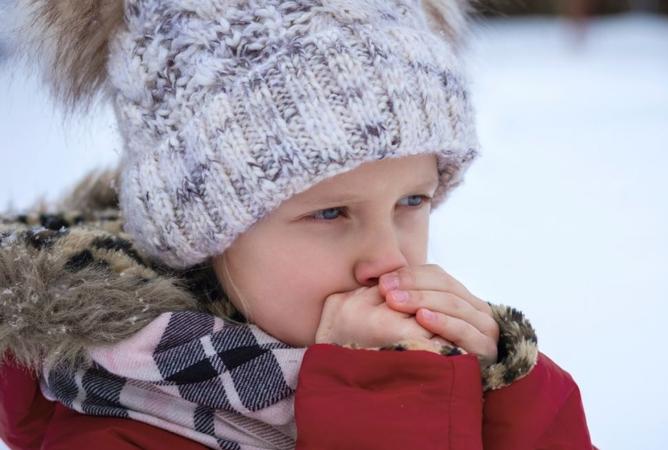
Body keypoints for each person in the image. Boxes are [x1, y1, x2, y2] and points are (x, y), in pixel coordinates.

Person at [0, 0, 597, 449]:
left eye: (412, 202)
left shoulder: (452, 362)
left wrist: (508, 395)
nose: (388, 259)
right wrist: (380, 400)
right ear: (204, 235)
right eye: (331, 212)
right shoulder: (120, 426)